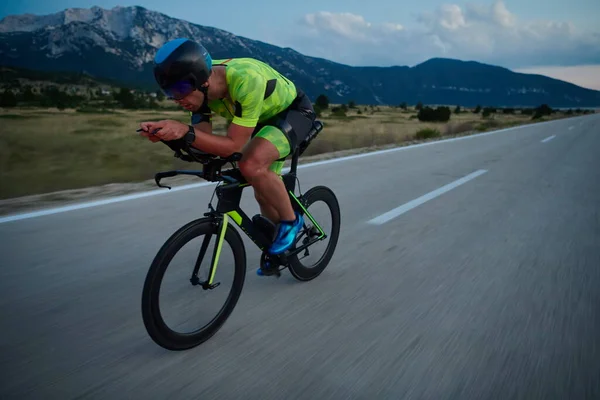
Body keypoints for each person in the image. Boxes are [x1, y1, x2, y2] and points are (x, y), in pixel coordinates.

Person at [139, 38, 317, 267]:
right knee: (261, 192)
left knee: (251, 165)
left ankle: (291, 222)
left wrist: (184, 130)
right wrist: (171, 138)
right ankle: (284, 247)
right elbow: (203, 144)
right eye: (170, 93)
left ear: (201, 80)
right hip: (260, 121)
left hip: (293, 112)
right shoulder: (198, 95)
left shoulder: (245, 80)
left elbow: (233, 145)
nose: (177, 99)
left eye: (180, 89)